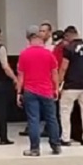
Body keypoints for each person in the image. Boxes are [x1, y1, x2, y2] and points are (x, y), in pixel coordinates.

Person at [17, 25, 61, 156]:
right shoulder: (48, 54)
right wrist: (56, 89)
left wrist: (18, 92)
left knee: (33, 120)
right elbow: (54, 73)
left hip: (30, 90)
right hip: (47, 90)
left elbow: (21, 76)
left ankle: (35, 149)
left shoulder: (24, 54)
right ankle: (56, 146)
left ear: (28, 38)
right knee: (52, 118)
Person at [59, 26, 83, 146]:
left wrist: (59, 83)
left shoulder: (68, 48)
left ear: (67, 36)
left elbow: (63, 67)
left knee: (65, 112)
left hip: (70, 85)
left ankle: (65, 138)